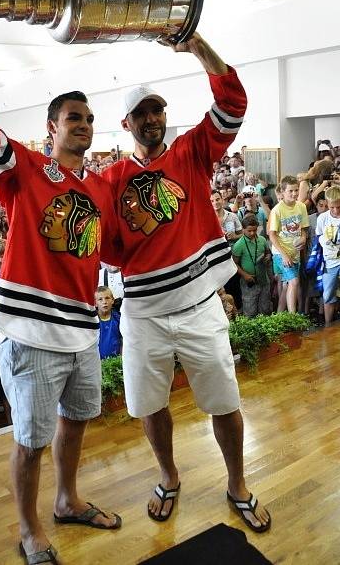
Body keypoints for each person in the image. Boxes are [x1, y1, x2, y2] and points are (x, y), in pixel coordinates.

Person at [0, 29, 121, 565]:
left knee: (78, 418)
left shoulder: (97, 188)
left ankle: (67, 500)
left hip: (82, 330)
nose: (83, 125)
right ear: (51, 129)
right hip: (32, 333)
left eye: (88, 119)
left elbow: (101, 249)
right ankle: (29, 527)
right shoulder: (26, 170)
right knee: (31, 438)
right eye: (72, 119)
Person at [103, 33, 270, 532]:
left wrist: (197, 46)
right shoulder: (110, 181)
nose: (152, 119)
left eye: (158, 110)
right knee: (150, 407)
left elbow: (233, 102)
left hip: (199, 305)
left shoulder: (190, 153)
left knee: (225, 402)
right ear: (126, 123)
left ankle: (238, 483)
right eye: (142, 113)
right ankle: (168, 475)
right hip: (143, 314)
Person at [269, 176, 309, 313]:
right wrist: (284, 255)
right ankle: (293, 318)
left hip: (295, 252)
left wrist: (303, 238)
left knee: (287, 286)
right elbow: (272, 235)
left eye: (296, 190)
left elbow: (304, 229)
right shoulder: (277, 210)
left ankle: (279, 316)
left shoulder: (301, 206)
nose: (294, 193)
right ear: (283, 191)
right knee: (294, 282)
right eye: (290, 191)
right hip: (280, 253)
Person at [232, 216, 272, 317]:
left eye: (254, 230)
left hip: (263, 278)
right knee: (250, 308)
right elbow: (234, 263)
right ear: (243, 229)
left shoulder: (262, 240)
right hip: (249, 280)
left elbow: (268, 252)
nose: (252, 233)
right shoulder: (239, 245)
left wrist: (268, 256)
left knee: (265, 307)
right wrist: (245, 275)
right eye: (249, 231)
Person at [316, 186, 340, 325]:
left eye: (339, 207)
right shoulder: (323, 219)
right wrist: (324, 240)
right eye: (332, 207)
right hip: (330, 261)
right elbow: (318, 236)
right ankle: (328, 325)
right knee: (328, 295)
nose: (336, 211)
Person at [95, 286, 122, 359]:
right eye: (100, 299)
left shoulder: (119, 318)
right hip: (96, 362)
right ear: (95, 303)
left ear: (112, 300)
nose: (104, 302)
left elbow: (124, 340)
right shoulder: (92, 320)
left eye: (107, 298)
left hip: (116, 361)